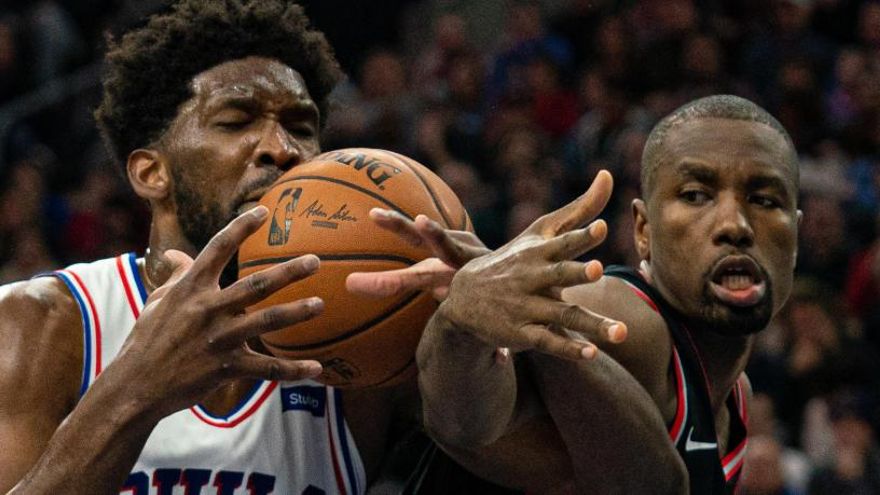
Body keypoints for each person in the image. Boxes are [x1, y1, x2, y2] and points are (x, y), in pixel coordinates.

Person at [0, 1, 680, 494]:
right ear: (151, 172)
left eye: (302, 125)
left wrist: (484, 330)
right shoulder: (42, 325)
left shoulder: (368, 336)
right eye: (237, 120)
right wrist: (136, 390)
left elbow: (632, 484)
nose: (281, 146)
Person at [367, 94, 801, 494]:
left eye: (764, 200)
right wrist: (461, 323)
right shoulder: (614, 316)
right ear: (644, 231)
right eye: (695, 195)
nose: (736, 226)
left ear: (796, 233)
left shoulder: (736, 395)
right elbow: (465, 422)